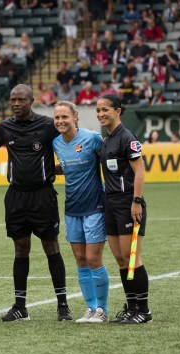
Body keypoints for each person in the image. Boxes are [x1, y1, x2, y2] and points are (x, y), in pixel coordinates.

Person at [0, 84, 72, 322]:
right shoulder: (6, 127)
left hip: (43, 196)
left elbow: (71, 142)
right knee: (20, 249)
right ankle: (20, 307)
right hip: (16, 197)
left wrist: (65, 166)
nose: (16, 104)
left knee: (52, 247)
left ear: (31, 101)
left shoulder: (48, 125)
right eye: (12, 100)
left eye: (21, 100)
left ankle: (63, 305)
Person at [96, 94, 152, 324]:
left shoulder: (127, 137)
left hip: (129, 203)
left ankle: (144, 311)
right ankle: (131, 307)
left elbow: (139, 170)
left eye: (105, 110)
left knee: (132, 259)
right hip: (111, 203)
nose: (100, 114)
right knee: (120, 259)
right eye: (98, 110)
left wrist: (136, 201)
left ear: (118, 111)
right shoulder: (106, 138)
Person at [52, 101, 110, 322]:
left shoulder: (92, 138)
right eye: (57, 118)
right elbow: (66, 166)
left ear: (75, 117)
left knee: (94, 259)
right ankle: (90, 308)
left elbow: (108, 160)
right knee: (80, 259)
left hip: (95, 207)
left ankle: (102, 310)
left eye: (64, 117)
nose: (60, 121)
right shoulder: (56, 143)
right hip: (72, 208)